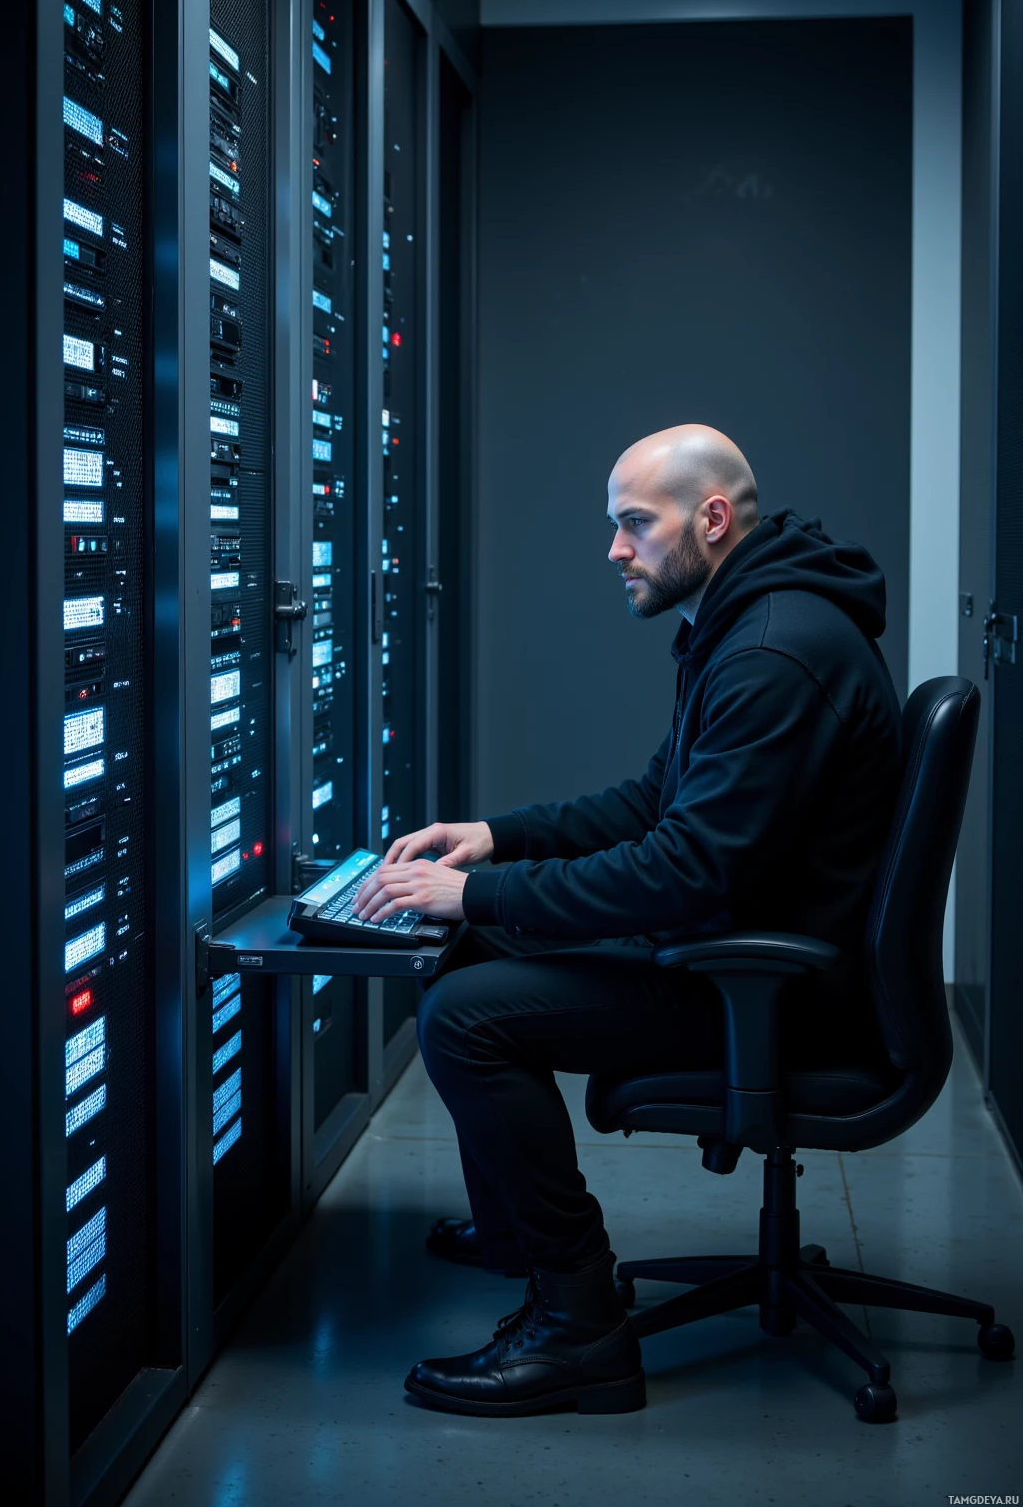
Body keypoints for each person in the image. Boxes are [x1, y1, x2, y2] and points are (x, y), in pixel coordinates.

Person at [351, 423, 902, 1418]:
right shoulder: (748, 619)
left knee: (466, 1013)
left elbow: (685, 868)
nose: (614, 549)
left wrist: (477, 891)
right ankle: (520, 1233)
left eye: (633, 525)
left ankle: (578, 1330)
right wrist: (492, 838)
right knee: (467, 947)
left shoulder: (774, 650)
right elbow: (657, 801)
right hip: (734, 953)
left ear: (713, 519)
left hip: (771, 995)